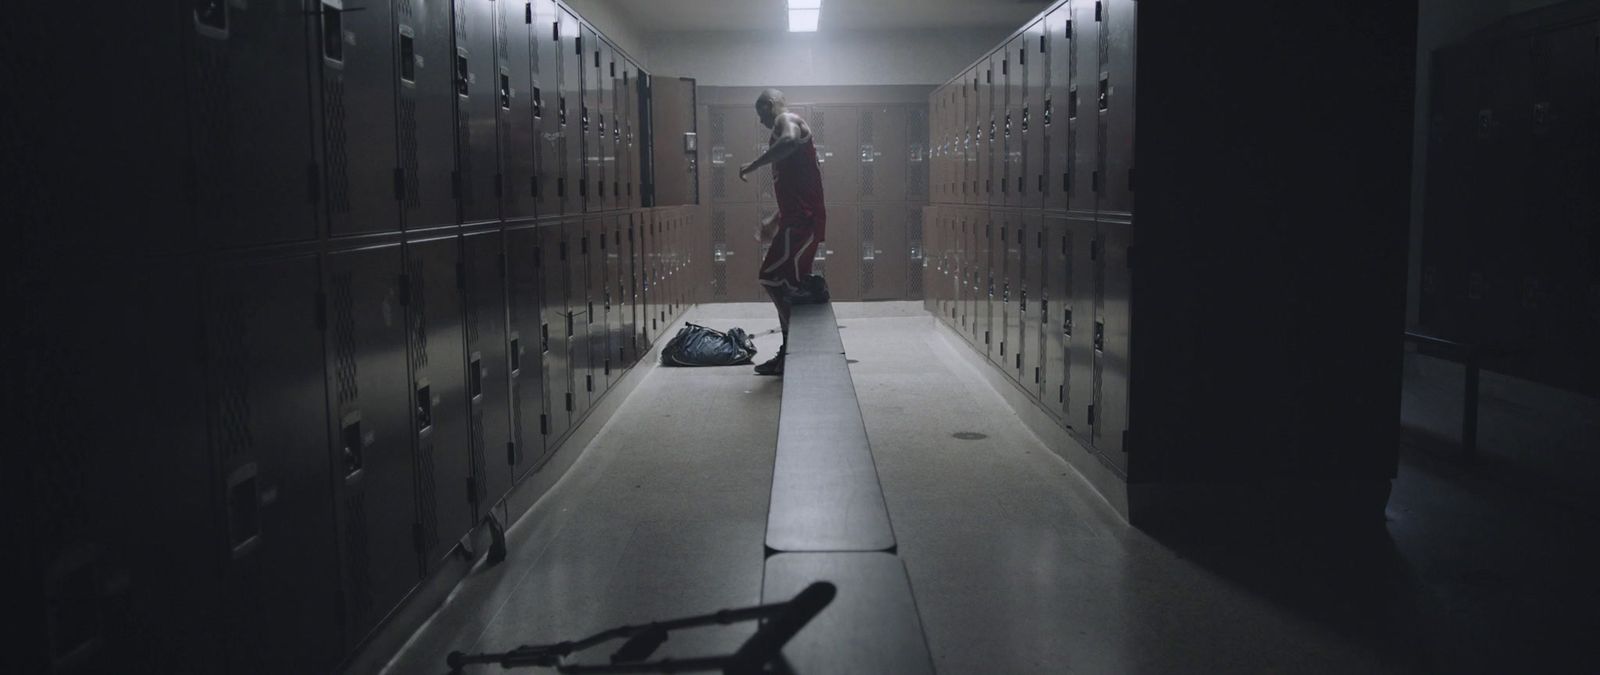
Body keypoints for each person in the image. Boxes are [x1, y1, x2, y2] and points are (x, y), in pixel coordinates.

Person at [738, 88, 826, 376]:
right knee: (783, 280)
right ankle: (791, 348)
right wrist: (775, 219)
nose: (762, 122)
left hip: (802, 221)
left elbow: (788, 140)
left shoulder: (786, 120)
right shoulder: (786, 133)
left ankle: (796, 345)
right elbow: (799, 188)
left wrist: (753, 166)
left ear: (771, 104)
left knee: (771, 276)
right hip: (796, 218)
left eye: (761, 113)